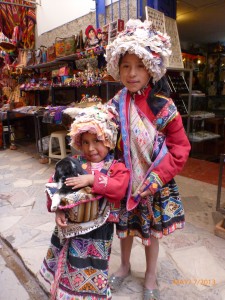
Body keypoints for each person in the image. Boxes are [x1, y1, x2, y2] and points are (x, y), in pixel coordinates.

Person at [105, 19, 191, 300]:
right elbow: (104, 135)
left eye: (140, 65)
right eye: (126, 66)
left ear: (151, 68)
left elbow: (180, 147)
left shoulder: (163, 106)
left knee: (151, 232)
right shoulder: (116, 103)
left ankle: (151, 273)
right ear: (118, 68)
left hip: (154, 182)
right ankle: (125, 265)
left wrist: (157, 177)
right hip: (126, 180)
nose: (132, 73)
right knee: (125, 229)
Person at [40, 104, 130, 300]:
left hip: (99, 233)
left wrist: (91, 179)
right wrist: (58, 210)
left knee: (92, 266)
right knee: (68, 263)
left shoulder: (116, 167)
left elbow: (119, 189)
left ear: (109, 140)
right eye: (85, 142)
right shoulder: (74, 162)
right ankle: (66, 293)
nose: (90, 148)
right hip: (70, 230)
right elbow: (54, 184)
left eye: (97, 140)